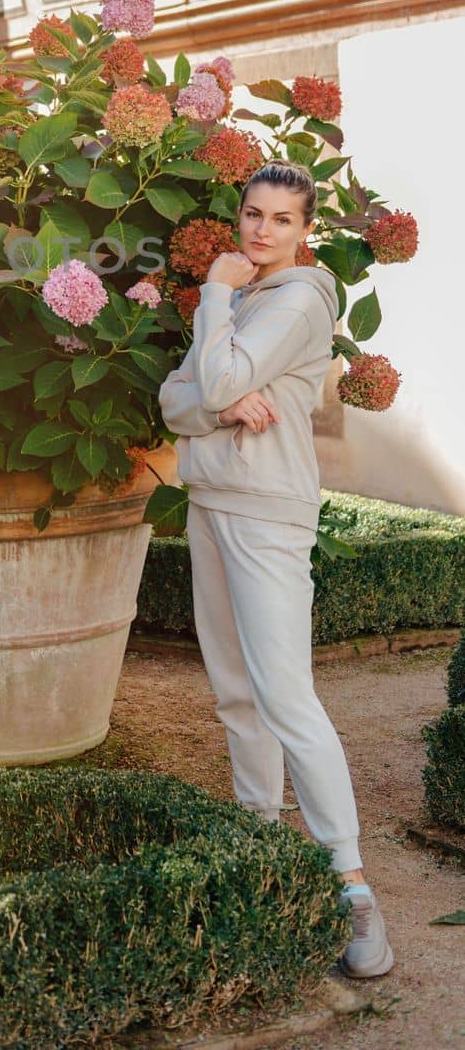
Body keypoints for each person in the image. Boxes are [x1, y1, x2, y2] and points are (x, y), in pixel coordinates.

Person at [158, 159, 394, 979]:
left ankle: (352, 884)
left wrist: (214, 307)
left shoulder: (294, 298)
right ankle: (258, 835)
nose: (261, 231)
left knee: (287, 695)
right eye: (252, 214)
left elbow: (212, 373)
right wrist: (219, 405)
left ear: (306, 230)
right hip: (212, 502)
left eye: (281, 220)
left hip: (265, 511)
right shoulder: (250, 296)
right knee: (233, 689)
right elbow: (173, 399)